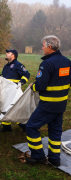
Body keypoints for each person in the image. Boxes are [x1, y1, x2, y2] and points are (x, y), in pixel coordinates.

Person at [26, 35, 71, 167]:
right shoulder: (67, 62)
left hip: (47, 106)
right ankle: (54, 159)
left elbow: (40, 86)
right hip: (61, 105)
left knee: (31, 126)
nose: (42, 48)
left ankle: (38, 156)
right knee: (55, 132)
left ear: (49, 47)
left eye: (43, 45)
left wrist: (32, 86)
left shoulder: (47, 64)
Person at [0, 49, 30, 132]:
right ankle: (6, 127)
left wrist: (21, 82)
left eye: (8, 53)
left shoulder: (18, 65)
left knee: (13, 109)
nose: (6, 54)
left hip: (13, 91)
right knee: (4, 107)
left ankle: (24, 126)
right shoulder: (6, 66)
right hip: (5, 91)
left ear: (13, 55)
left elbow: (26, 74)